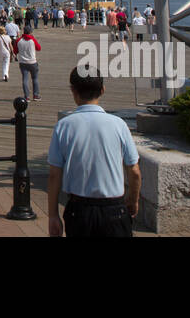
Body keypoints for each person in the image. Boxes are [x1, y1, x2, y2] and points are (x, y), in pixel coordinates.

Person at [47, 66, 140, 238]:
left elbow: (54, 175)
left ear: (73, 91)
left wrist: (53, 215)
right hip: (115, 210)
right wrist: (133, 200)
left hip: (79, 210)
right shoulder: (118, 124)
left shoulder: (64, 126)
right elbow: (134, 171)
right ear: (102, 90)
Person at [15, 24, 41, 101]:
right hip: (32, 62)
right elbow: (39, 48)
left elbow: (15, 51)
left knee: (25, 80)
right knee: (35, 79)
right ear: (30, 32)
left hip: (23, 62)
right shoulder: (32, 40)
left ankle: (27, 96)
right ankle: (36, 95)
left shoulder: (19, 40)